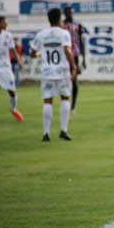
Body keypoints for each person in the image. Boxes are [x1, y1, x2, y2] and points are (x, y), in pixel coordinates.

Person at [31, 8, 76, 142]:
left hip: (47, 72)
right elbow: (67, 50)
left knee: (47, 101)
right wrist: (73, 66)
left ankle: (46, 133)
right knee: (65, 98)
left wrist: (41, 53)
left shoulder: (41, 34)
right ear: (59, 19)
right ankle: (64, 130)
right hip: (62, 72)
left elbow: (33, 54)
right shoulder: (64, 33)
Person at [63, 6, 86, 112]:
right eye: (69, 13)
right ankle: (65, 104)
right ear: (65, 14)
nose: (71, 14)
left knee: (74, 81)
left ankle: (72, 106)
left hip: (75, 56)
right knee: (63, 81)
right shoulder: (61, 25)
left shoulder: (77, 25)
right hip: (63, 56)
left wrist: (84, 58)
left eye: (72, 12)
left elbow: (81, 41)